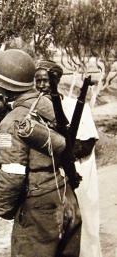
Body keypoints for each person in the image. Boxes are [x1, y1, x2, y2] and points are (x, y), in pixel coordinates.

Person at [0, 49, 82, 257]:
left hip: (39, 208)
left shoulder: (11, 122)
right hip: (65, 196)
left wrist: (2, 208)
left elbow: (12, 174)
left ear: (4, 85)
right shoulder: (47, 104)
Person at [35, 60, 102, 257]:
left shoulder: (74, 106)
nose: (41, 86)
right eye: (37, 81)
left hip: (77, 172)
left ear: (56, 80)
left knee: (85, 223)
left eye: (46, 81)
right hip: (49, 177)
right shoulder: (34, 108)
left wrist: (64, 152)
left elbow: (88, 143)